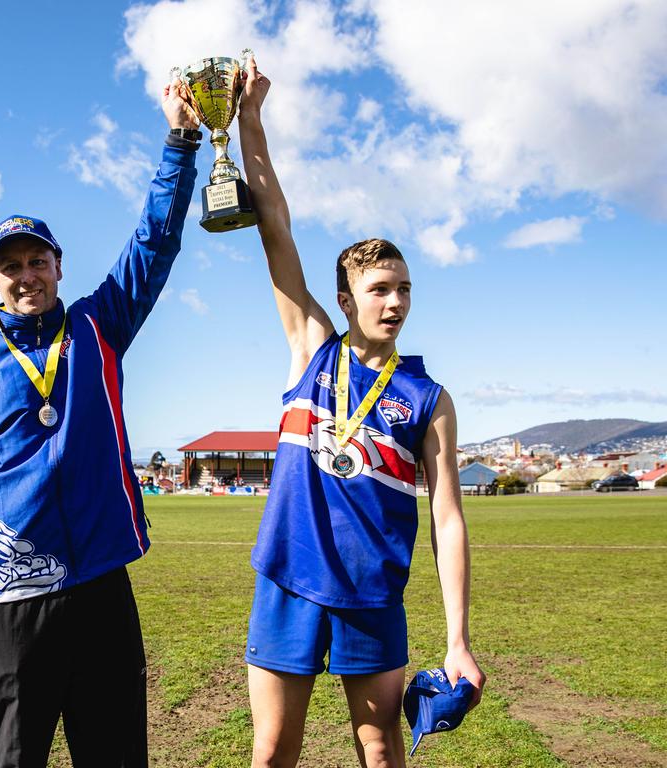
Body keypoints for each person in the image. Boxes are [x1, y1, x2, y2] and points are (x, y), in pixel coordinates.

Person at [0, 80, 200, 768]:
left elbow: (154, 244)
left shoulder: (98, 327)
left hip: (100, 583)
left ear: (58, 267)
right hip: (9, 597)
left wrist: (181, 142)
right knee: (15, 757)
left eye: (37, 261)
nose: (26, 275)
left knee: (117, 755)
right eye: (10, 267)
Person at [237, 56, 486, 768]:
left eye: (405, 288)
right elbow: (276, 231)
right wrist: (251, 120)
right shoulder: (311, 347)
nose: (396, 301)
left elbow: (447, 518)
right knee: (273, 748)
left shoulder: (428, 399)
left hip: (373, 594)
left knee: (380, 751)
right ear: (346, 300)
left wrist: (459, 636)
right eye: (379, 288)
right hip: (287, 581)